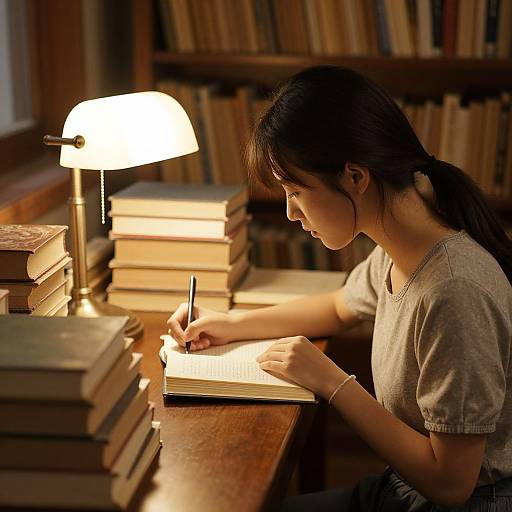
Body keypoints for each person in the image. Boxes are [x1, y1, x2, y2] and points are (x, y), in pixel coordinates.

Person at [167, 66, 512, 511]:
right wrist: (232, 325)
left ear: (355, 176)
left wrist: (332, 381)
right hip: (407, 489)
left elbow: (451, 484)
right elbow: (338, 306)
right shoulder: (401, 243)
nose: (291, 212)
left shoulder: (454, 290)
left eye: (295, 190)